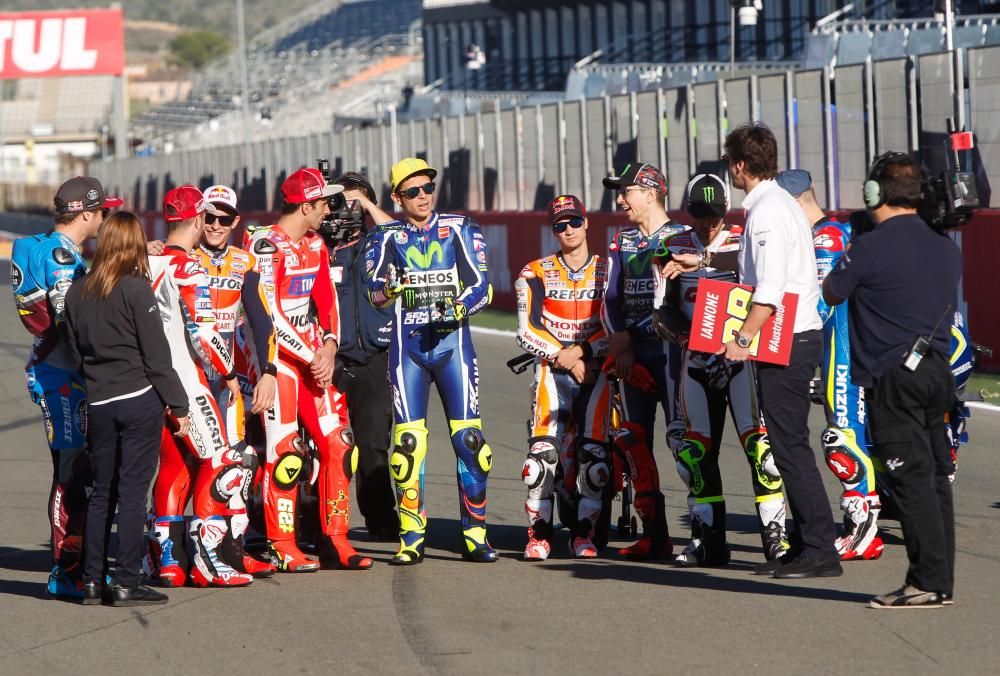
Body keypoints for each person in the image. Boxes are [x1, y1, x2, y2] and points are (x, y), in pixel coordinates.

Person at [823, 152, 960, 609]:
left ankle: (923, 582)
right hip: (936, 372)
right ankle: (938, 580)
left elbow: (833, 290)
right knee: (936, 479)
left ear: (874, 193)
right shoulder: (944, 244)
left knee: (913, 481)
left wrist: (857, 241)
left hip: (893, 378)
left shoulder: (870, 246)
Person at [717, 123, 841, 579]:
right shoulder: (780, 204)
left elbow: (767, 290)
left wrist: (741, 339)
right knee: (789, 446)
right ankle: (812, 543)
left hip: (785, 339)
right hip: (795, 335)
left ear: (741, 165)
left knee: (789, 447)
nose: (729, 169)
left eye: (731, 161)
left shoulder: (767, 211)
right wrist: (707, 261)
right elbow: (761, 265)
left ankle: (820, 550)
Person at [365, 157, 496, 565]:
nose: (422, 197)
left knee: (471, 443)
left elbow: (483, 286)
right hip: (408, 351)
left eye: (427, 189)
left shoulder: (460, 227)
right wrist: (389, 288)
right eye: (412, 192)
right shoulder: (384, 237)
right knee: (407, 446)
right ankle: (411, 537)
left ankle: (475, 535)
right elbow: (375, 295)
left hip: (453, 347)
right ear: (397, 197)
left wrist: (458, 306)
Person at [655, 174, 788, 567]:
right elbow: (660, 311)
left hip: (741, 361)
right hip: (696, 361)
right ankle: (708, 540)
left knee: (760, 450)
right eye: (698, 214)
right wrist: (686, 339)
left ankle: (775, 539)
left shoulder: (745, 242)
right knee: (696, 452)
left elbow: (770, 294)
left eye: (713, 215)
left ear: (726, 210)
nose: (706, 223)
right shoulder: (671, 246)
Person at [249, 168, 372, 572]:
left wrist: (331, 345)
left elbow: (327, 299)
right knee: (286, 452)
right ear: (307, 205)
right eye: (324, 203)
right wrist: (312, 354)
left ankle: (335, 539)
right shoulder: (263, 245)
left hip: (315, 360)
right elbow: (270, 315)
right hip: (277, 364)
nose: (329, 211)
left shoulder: (316, 244)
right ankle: (281, 543)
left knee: (339, 443)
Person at [63, 211, 188, 607]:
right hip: (138, 399)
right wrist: (178, 404)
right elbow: (157, 357)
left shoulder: (76, 292)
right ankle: (126, 582)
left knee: (103, 492)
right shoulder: (136, 289)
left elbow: (76, 352)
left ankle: (92, 581)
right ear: (133, 244)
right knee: (133, 494)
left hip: (100, 402)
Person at [10, 176, 121, 599]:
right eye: (104, 211)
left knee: (80, 471)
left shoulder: (46, 246)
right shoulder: (60, 258)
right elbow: (68, 325)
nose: (107, 218)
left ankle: (76, 565)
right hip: (62, 378)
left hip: (59, 374)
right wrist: (102, 366)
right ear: (87, 214)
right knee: (71, 473)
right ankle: (66, 570)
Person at [147, 185, 254, 588]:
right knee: (218, 462)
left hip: (150, 384)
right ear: (196, 219)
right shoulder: (188, 268)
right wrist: (228, 374)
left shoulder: (144, 260)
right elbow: (205, 334)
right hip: (188, 383)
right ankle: (208, 561)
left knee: (173, 468)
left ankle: (168, 561)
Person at [777, 169, 884, 561]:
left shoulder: (827, 236)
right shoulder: (821, 235)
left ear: (794, 202)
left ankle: (864, 527)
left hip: (841, 348)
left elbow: (820, 304)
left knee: (840, 435)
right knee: (841, 432)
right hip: (832, 348)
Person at [188, 184, 279, 578]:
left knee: (238, 462)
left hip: (229, 382)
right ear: (199, 217)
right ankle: (174, 549)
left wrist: (269, 374)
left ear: (235, 222)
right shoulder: (182, 257)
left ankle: (232, 549)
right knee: (187, 463)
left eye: (225, 219)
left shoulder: (245, 263)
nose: (216, 225)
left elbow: (263, 324)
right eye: (210, 217)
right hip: (188, 375)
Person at [515, 195, 611, 560]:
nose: (568, 229)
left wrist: (582, 353)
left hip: (596, 372)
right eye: (560, 225)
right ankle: (538, 536)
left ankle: (583, 536)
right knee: (540, 460)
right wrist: (568, 358)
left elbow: (614, 324)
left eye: (574, 221)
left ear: (586, 223)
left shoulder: (608, 270)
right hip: (551, 374)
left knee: (595, 459)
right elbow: (526, 330)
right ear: (552, 230)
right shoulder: (534, 271)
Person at [601, 162, 687, 560]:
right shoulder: (622, 241)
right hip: (632, 357)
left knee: (683, 441)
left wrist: (638, 342)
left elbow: (680, 306)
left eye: (627, 191)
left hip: (672, 356)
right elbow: (610, 301)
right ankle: (655, 534)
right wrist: (623, 349)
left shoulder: (683, 239)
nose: (621, 199)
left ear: (650, 193)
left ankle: (704, 530)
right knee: (634, 442)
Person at [324, 172, 400, 540]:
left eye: (357, 201)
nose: (348, 209)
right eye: (342, 200)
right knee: (324, 447)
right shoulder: (317, 246)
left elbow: (402, 235)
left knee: (373, 445)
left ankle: (381, 519)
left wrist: (367, 204)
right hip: (329, 360)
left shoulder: (381, 243)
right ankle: (318, 523)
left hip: (374, 356)